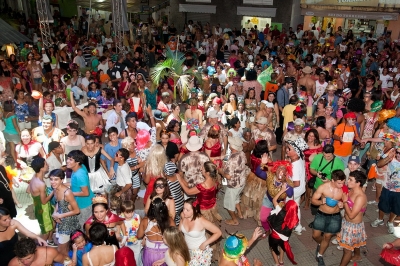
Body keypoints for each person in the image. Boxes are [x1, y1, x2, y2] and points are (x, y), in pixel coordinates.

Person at [311, 169, 346, 266]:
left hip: (335, 216)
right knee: (315, 235)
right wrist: (321, 202)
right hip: (321, 214)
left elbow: (347, 201)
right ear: (333, 181)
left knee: (327, 237)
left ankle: (320, 255)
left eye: (343, 183)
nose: (341, 185)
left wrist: (342, 204)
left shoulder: (343, 189)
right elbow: (313, 200)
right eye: (339, 183)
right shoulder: (323, 187)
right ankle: (321, 244)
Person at [336, 170, 367, 266]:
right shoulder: (351, 191)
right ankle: (357, 255)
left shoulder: (360, 197)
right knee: (355, 243)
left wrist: (344, 202)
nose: (347, 181)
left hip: (353, 227)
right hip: (346, 223)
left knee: (347, 251)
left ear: (358, 183)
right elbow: (348, 207)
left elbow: (352, 215)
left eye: (350, 180)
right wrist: (342, 204)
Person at [179, 197, 222, 265]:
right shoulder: (183, 215)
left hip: (200, 252)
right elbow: (179, 231)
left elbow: (218, 232)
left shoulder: (202, 221)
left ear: (195, 210)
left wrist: (205, 244)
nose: (184, 211)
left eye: (187, 210)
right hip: (187, 250)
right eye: (184, 208)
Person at [219, 136, 250, 226]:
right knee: (236, 198)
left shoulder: (232, 159)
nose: (229, 144)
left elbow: (228, 176)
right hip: (241, 182)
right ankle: (240, 214)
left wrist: (221, 171)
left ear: (233, 147)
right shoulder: (242, 153)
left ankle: (234, 220)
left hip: (233, 184)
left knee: (228, 203)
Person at [50, 169, 80, 256]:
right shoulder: (55, 189)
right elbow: (58, 203)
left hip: (68, 223)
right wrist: (55, 213)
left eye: (56, 179)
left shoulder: (67, 193)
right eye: (51, 179)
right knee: (64, 248)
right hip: (61, 221)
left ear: (62, 180)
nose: (53, 182)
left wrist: (60, 215)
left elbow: (77, 210)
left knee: (61, 250)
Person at [137, 197, 175, 266]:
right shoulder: (170, 220)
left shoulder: (145, 221)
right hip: (165, 254)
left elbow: (139, 235)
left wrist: (146, 236)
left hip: (149, 254)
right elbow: (175, 238)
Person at [268, 185, 299, 265]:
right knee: (282, 247)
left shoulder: (280, 211)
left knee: (273, 248)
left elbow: (274, 200)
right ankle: (281, 261)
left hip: (274, 237)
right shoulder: (294, 220)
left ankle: (276, 263)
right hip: (284, 238)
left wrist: (282, 190)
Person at [26, 158, 54, 243]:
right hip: (43, 209)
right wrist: (53, 191)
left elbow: (27, 190)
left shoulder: (35, 176)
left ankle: (50, 240)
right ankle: (40, 247)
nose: (48, 165)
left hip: (39, 207)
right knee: (45, 231)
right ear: (41, 168)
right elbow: (44, 201)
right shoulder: (40, 184)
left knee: (52, 224)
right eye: (46, 164)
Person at [67, 150, 94, 225]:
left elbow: (86, 193)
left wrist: (69, 193)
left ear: (77, 162)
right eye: (68, 158)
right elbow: (76, 184)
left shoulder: (79, 175)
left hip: (84, 205)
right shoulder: (80, 167)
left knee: (83, 226)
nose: (67, 161)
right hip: (80, 202)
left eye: (70, 159)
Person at [120, 200, 142, 266]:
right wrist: (121, 240)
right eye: (127, 213)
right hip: (125, 243)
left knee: (137, 258)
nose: (130, 214)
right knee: (127, 260)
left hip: (136, 242)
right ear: (123, 212)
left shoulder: (137, 217)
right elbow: (117, 232)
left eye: (132, 212)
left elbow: (142, 228)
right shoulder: (120, 219)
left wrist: (144, 238)